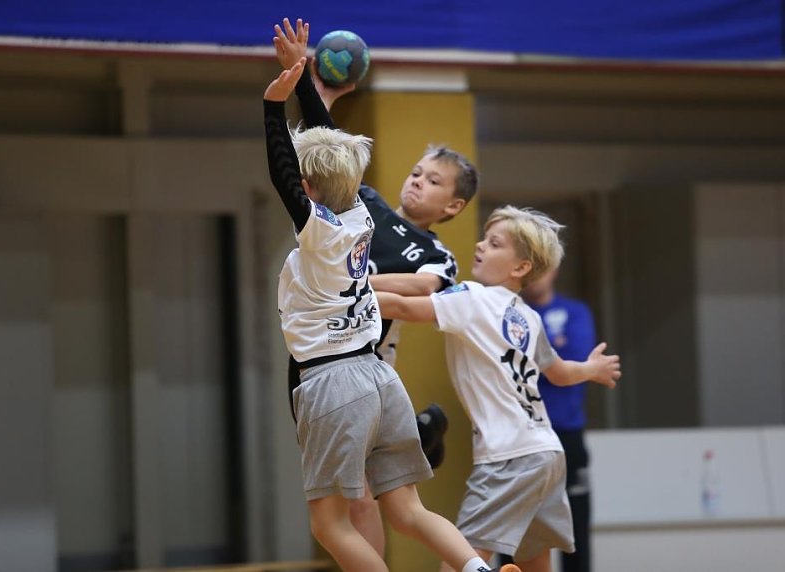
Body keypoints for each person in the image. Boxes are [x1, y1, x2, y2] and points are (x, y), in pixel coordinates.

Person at [263, 56, 512, 572]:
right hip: (380, 377)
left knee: (329, 525)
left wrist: (273, 104)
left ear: (306, 192)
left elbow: (283, 170)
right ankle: (478, 570)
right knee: (408, 510)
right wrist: (306, 90)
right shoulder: (360, 217)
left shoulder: (318, 233)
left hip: (332, 381)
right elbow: (327, 152)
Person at [376, 206, 621, 572]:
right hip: (548, 453)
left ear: (520, 267)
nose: (480, 244)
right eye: (484, 238)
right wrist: (590, 369)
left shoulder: (471, 297)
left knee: (461, 559)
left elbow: (403, 308)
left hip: (509, 457)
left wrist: (340, 292)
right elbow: (559, 373)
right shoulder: (529, 317)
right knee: (535, 558)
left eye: (494, 243)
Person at [521, 268, 596, 572]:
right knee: (516, 527)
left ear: (554, 270)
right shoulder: (509, 312)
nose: (536, 277)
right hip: (523, 436)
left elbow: (577, 363)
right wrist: (556, 355)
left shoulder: (574, 312)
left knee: (575, 528)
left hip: (567, 433)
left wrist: (540, 363)